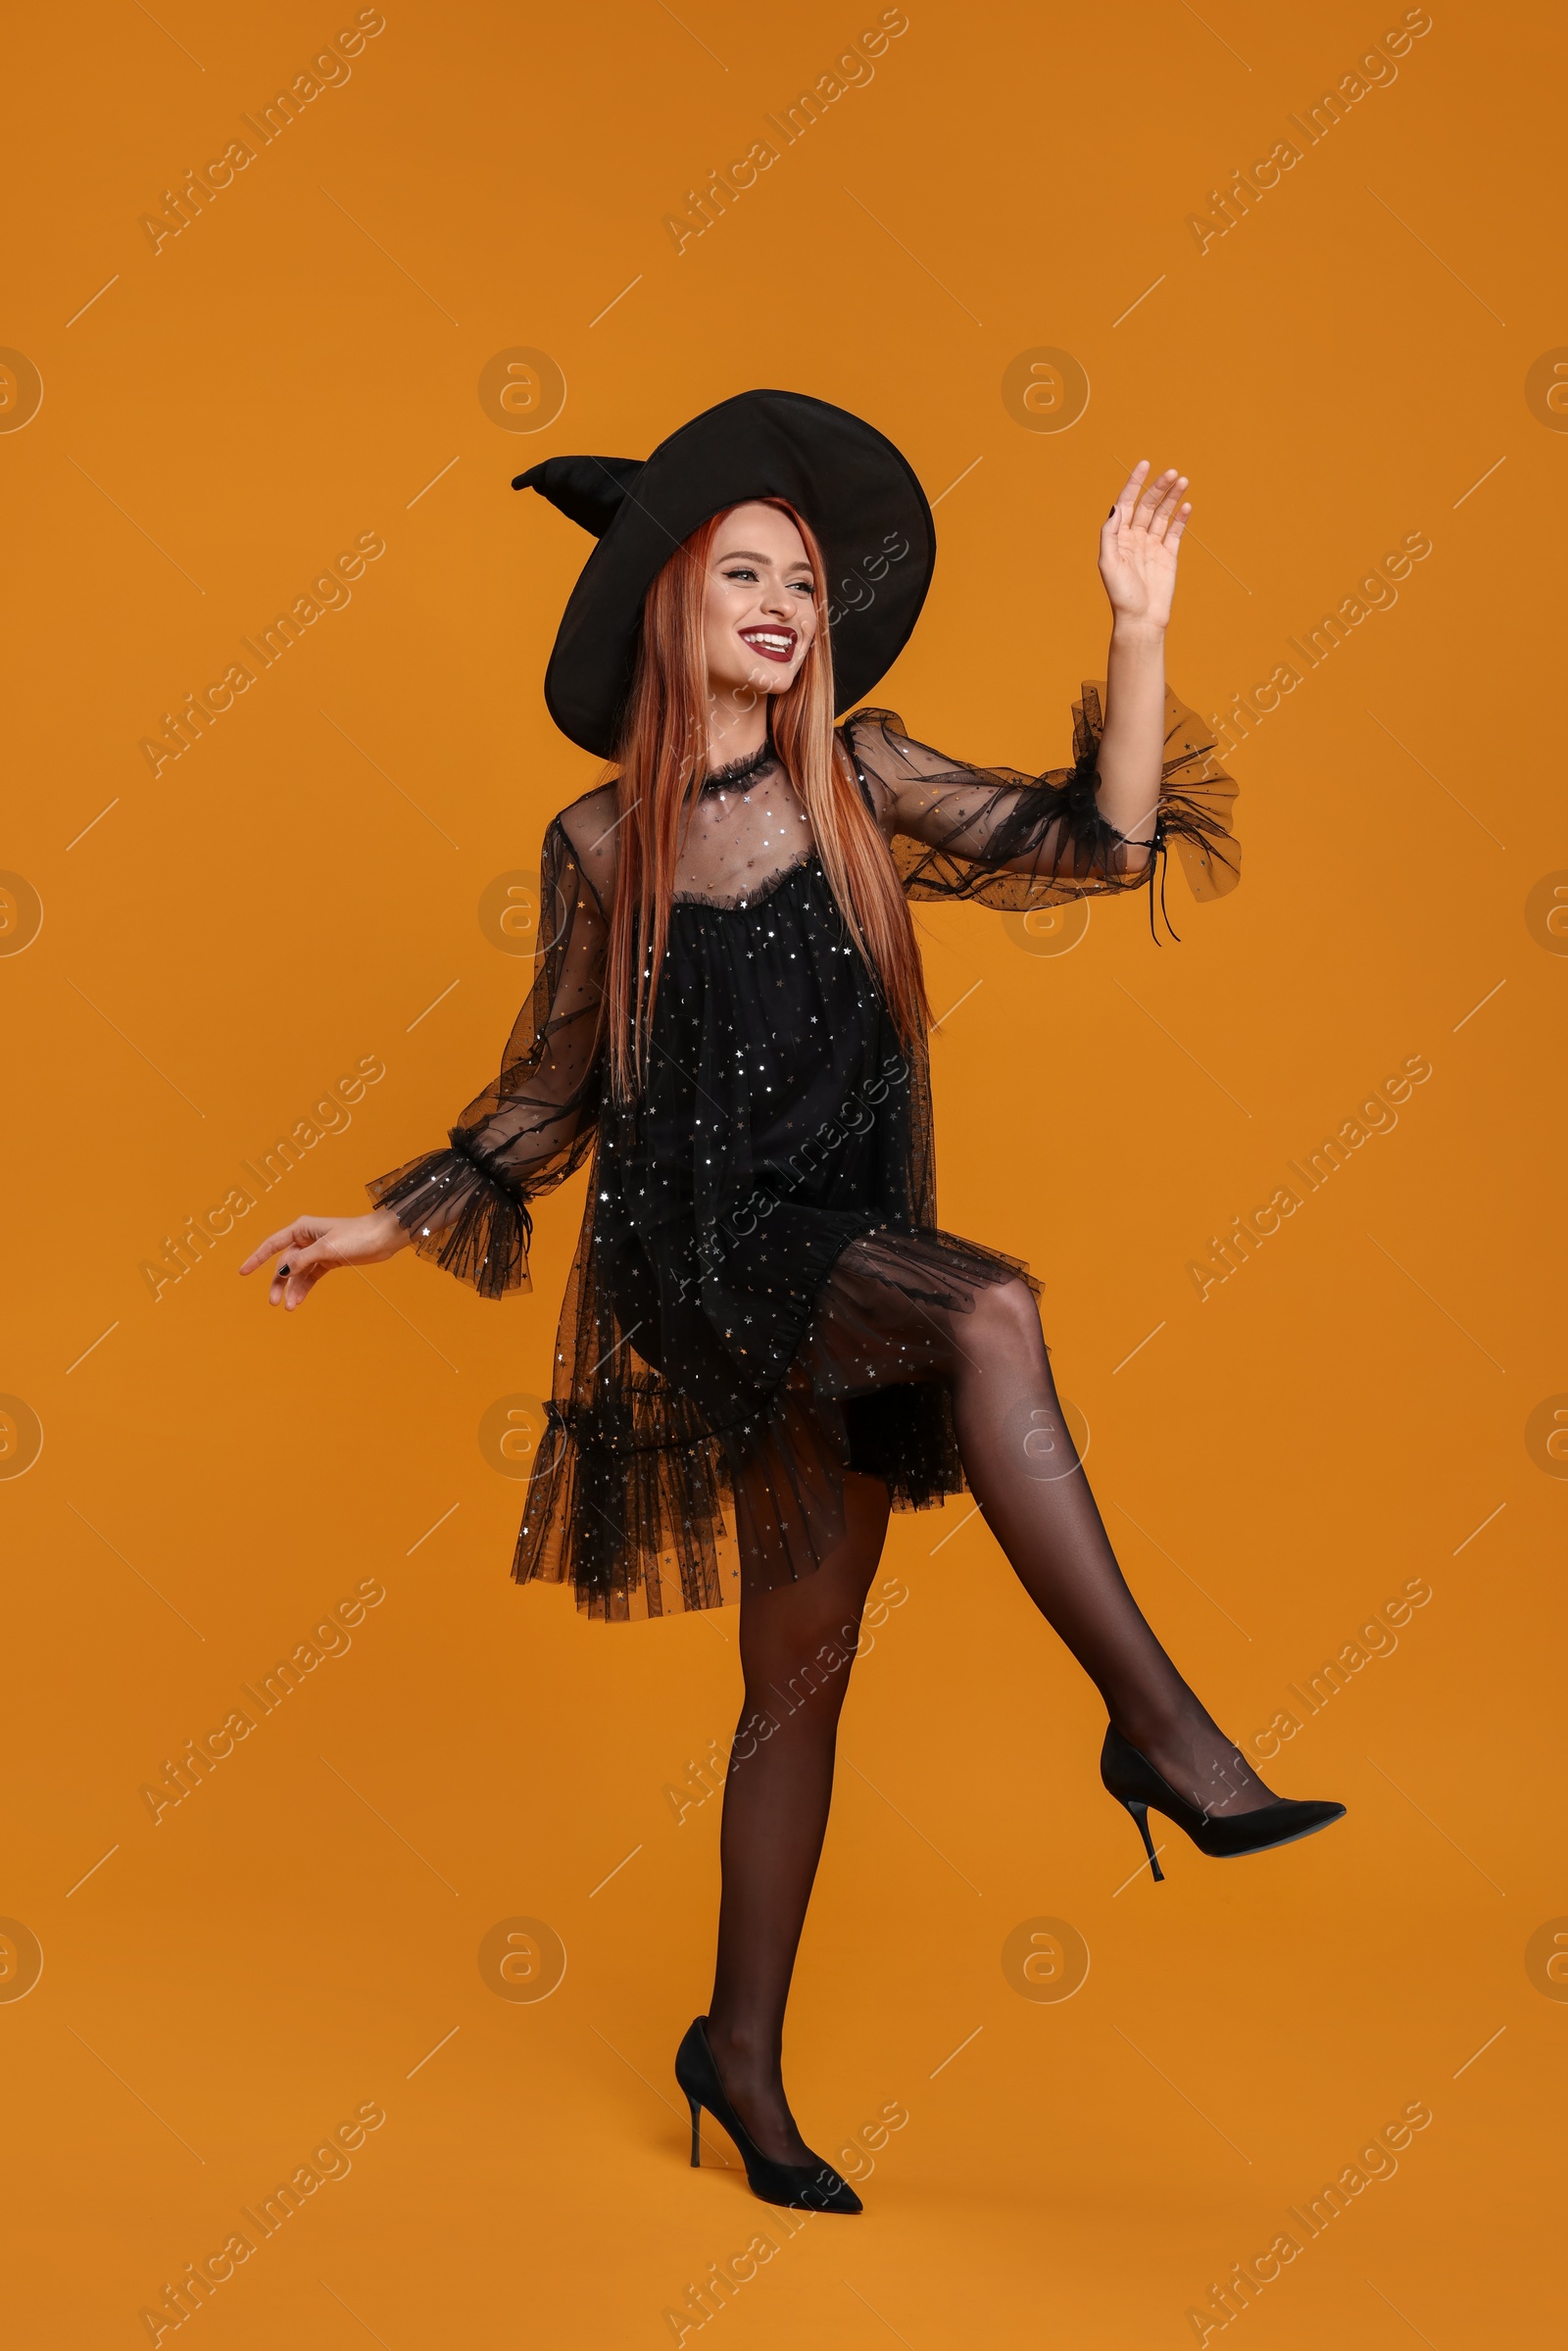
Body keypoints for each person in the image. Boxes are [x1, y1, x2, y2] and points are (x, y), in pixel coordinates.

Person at [240, 390, 1344, 2216]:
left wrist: (1139, 629)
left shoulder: (864, 777)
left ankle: (734, 2055)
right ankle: (1168, 1743)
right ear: (670, 612)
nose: (782, 605)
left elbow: (1107, 846)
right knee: (994, 1315)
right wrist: (385, 1227)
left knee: (798, 1683)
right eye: (742, 575)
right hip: (705, 1255)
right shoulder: (604, 845)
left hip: (846, 1250)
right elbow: (555, 1090)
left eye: (805, 583)